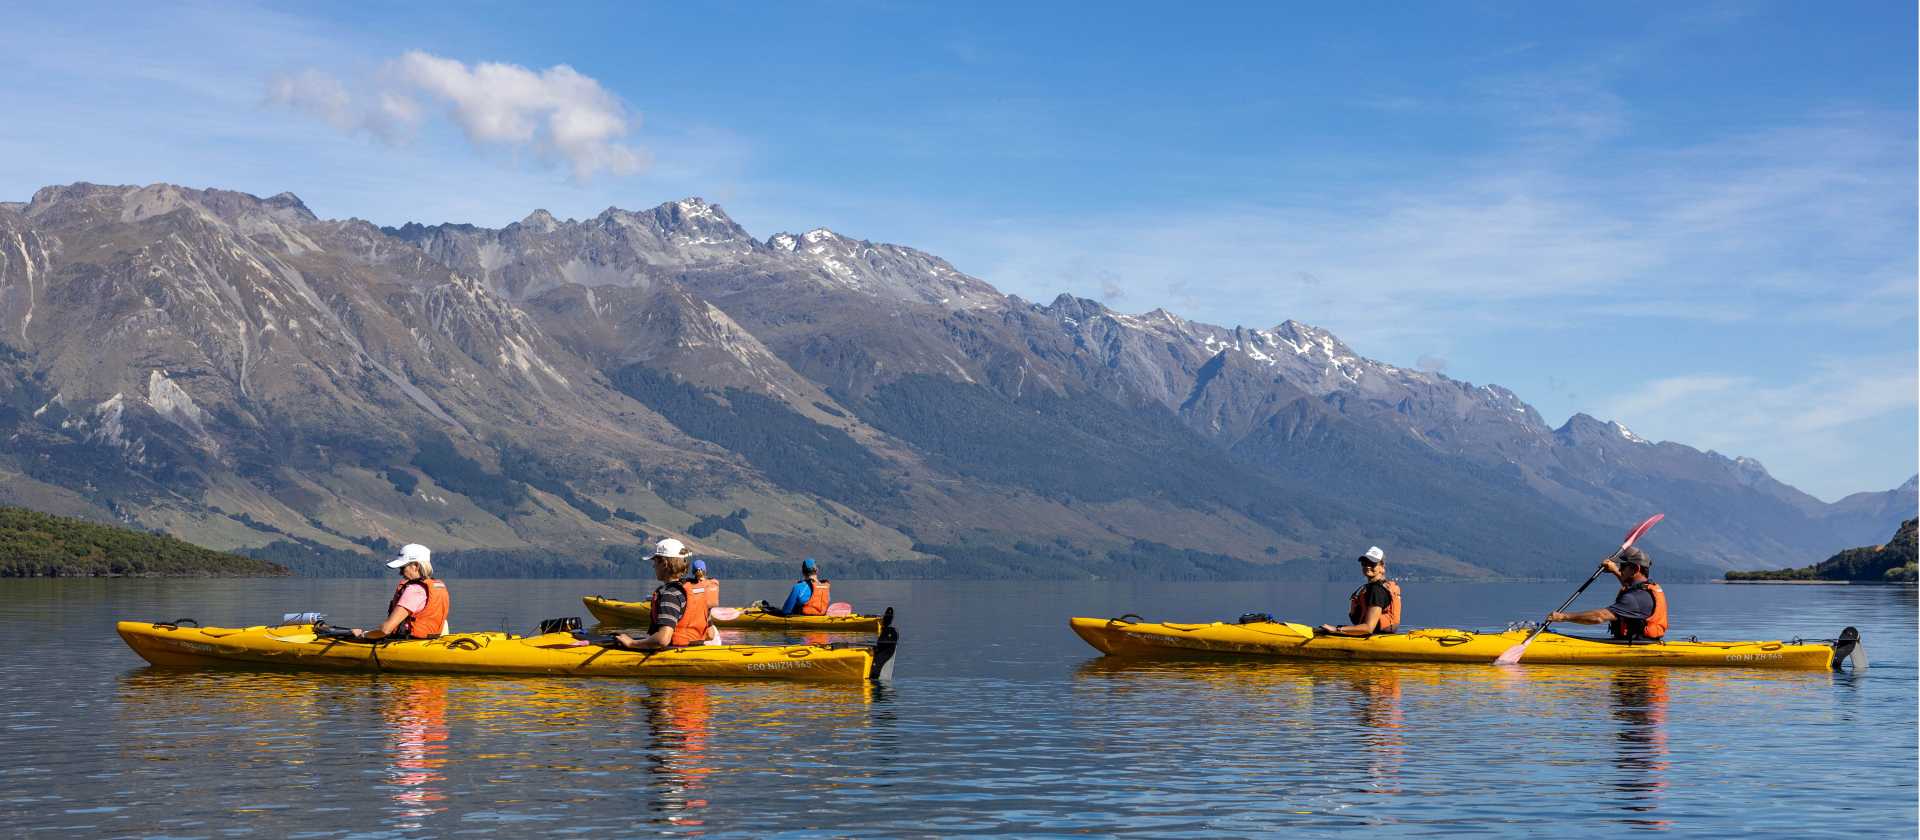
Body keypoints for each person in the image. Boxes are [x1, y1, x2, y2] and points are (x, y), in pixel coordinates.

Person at [615, 539, 718, 649]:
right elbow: (710, 634)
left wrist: (632, 643)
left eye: (655, 562)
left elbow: (662, 640)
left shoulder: (670, 594)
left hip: (675, 655)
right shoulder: (697, 592)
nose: (653, 566)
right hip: (697, 650)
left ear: (664, 563)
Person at [1549, 547, 1667, 641]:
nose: (1620, 569)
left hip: (1636, 647)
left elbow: (1599, 617)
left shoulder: (1635, 598)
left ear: (1635, 569)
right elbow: (1629, 586)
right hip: (1640, 642)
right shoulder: (1643, 590)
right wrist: (1614, 570)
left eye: (1623, 566)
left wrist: (1563, 617)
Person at [353, 543, 451, 639]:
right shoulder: (437, 586)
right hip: (432, 640)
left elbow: (385, 630)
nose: (400, 572)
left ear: (416, 566)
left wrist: (364, 635)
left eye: (402, 568)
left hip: (411, 643)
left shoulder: (414, 590)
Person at [1319, 546, 1401, 637]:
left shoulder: (1377, 590)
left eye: (1372, 564)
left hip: (1375, 637)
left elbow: (1368, 628)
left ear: (1382, 566)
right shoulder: (1374, 587)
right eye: (1364, 563)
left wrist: (1336, 629)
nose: (1368, 566)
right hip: (1377, 635)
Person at [759, 558, 831, 617]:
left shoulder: (798, 587)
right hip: (821, 617)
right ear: (817, 570)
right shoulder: (824, 587)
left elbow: (786, 611)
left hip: (803, 624)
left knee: (776, 610)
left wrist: (772, 611)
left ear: (803, 572)